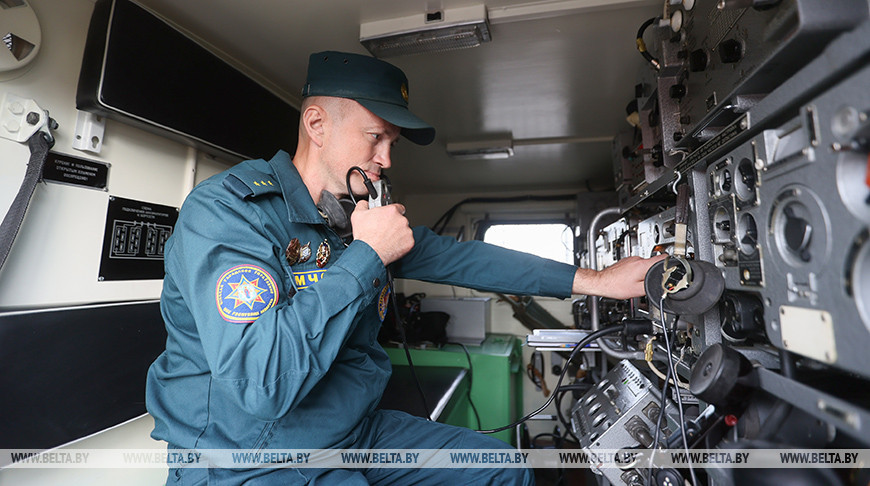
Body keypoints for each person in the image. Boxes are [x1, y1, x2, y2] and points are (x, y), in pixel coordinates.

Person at [146, 50, 664, 485]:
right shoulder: (227, 213)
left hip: (351, 433)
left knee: (503, 470)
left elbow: (469, 258)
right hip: (247, 456)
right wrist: (366, 256)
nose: (387, 159)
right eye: (376, 137)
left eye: (391, 142)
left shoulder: (353, 217)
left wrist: (600, 282)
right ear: (317, 124)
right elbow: (261, 384)